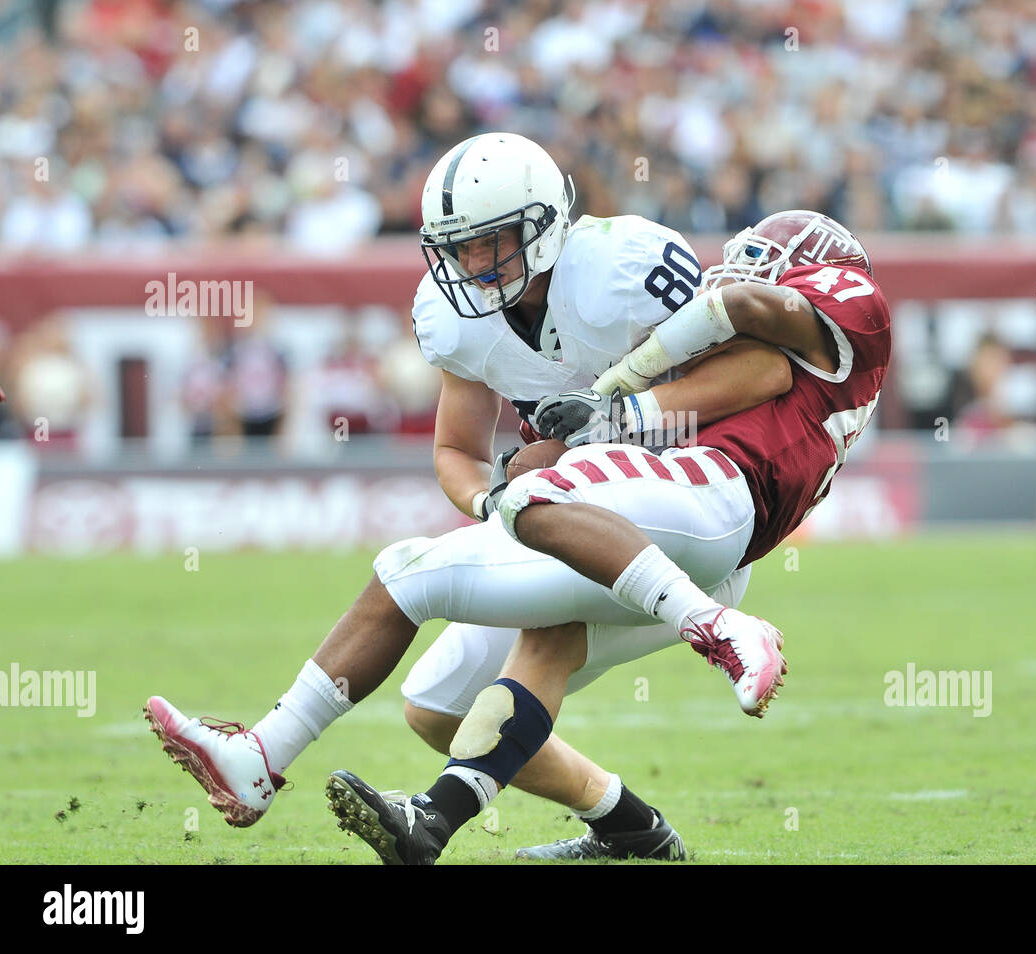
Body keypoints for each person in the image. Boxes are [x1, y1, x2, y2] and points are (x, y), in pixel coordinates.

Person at [145, 133, 791, 862]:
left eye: (490, 243)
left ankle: (278, 764)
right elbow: (455, 452)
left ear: (544, 225)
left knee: (421, 577)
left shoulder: (625, 268)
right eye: (458, 248)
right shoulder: (460, 318)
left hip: (685, 521)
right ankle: (629, 828)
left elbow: (763, 372)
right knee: (438, 706)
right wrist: (495, 504)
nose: (473, 265)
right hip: (568, 523)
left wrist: (616, 421)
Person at [327, 209, 892, 864]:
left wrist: (612, 400)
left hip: (698, 510)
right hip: (660, 507)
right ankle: (629, 828)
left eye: (759, 256)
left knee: (525, 591)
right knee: (435, 706)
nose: (732, 269)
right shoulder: (775, 351)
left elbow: (743, 315)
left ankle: (421, 813)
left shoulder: (839, 314)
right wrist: (551, 446)